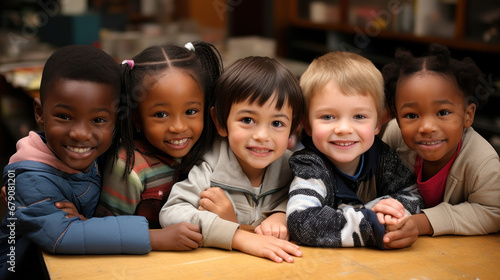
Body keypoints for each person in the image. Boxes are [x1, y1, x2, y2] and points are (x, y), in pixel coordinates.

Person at [0, 45, 144, 280]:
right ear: (39, 113)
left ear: (115, 123)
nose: (80, 133)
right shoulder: (27, 178)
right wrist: (157, 237)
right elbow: (63, 235)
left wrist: (84, 222)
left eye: (98, 119)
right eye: (64, 117)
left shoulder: (101, 154)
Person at [160, 56, 304, 263]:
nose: (262, 135)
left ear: (293, 127)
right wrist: (235, 233)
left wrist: (283, 215)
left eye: (277, 123)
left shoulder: (296, 168)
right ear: (220, 122)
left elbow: (319, 204)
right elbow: (171, 213)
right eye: (247, 120)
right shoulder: (210, 167)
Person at [286, 51, 424, 250]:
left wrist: (390, 213)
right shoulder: (309, 164)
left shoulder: (381, 156)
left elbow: (413, 195)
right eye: (328, 117)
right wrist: (373, 222)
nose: (344, 129)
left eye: (359, 116)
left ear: (378, 123)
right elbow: (302, 222)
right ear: (306, 124)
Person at [93, 41, 223, 230]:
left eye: (191, 111)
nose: (178, 127)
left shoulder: (212, 151)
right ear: (136, 117)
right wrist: (159, 240)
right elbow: (108, 232)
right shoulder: (129, 168)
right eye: (161, 114)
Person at [381, 44, 500, 243]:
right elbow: (372, 180)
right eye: (411, 115)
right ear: (397, 119)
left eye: (443, 112)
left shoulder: (482, 161)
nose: (427, 127)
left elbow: (493, 211)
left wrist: (420, 223)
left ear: (468, 115)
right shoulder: (394, 135)